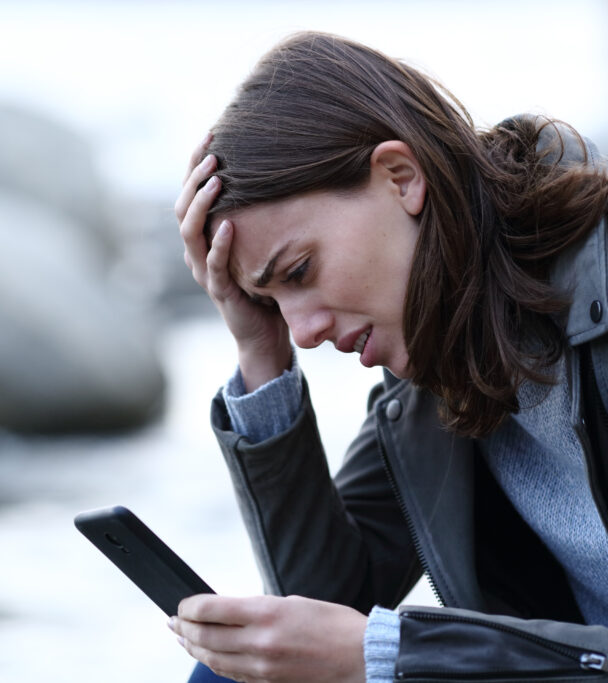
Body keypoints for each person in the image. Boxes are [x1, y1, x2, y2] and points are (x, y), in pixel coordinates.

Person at [170, 31, 608, 682]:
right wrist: (259, 349)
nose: (306, 332)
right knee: (231, 673)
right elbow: (322, 609)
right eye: (272, 300)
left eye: (299, 269)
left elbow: (360, 647)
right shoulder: (432, 376)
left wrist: (392, 652)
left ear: (401, 179)